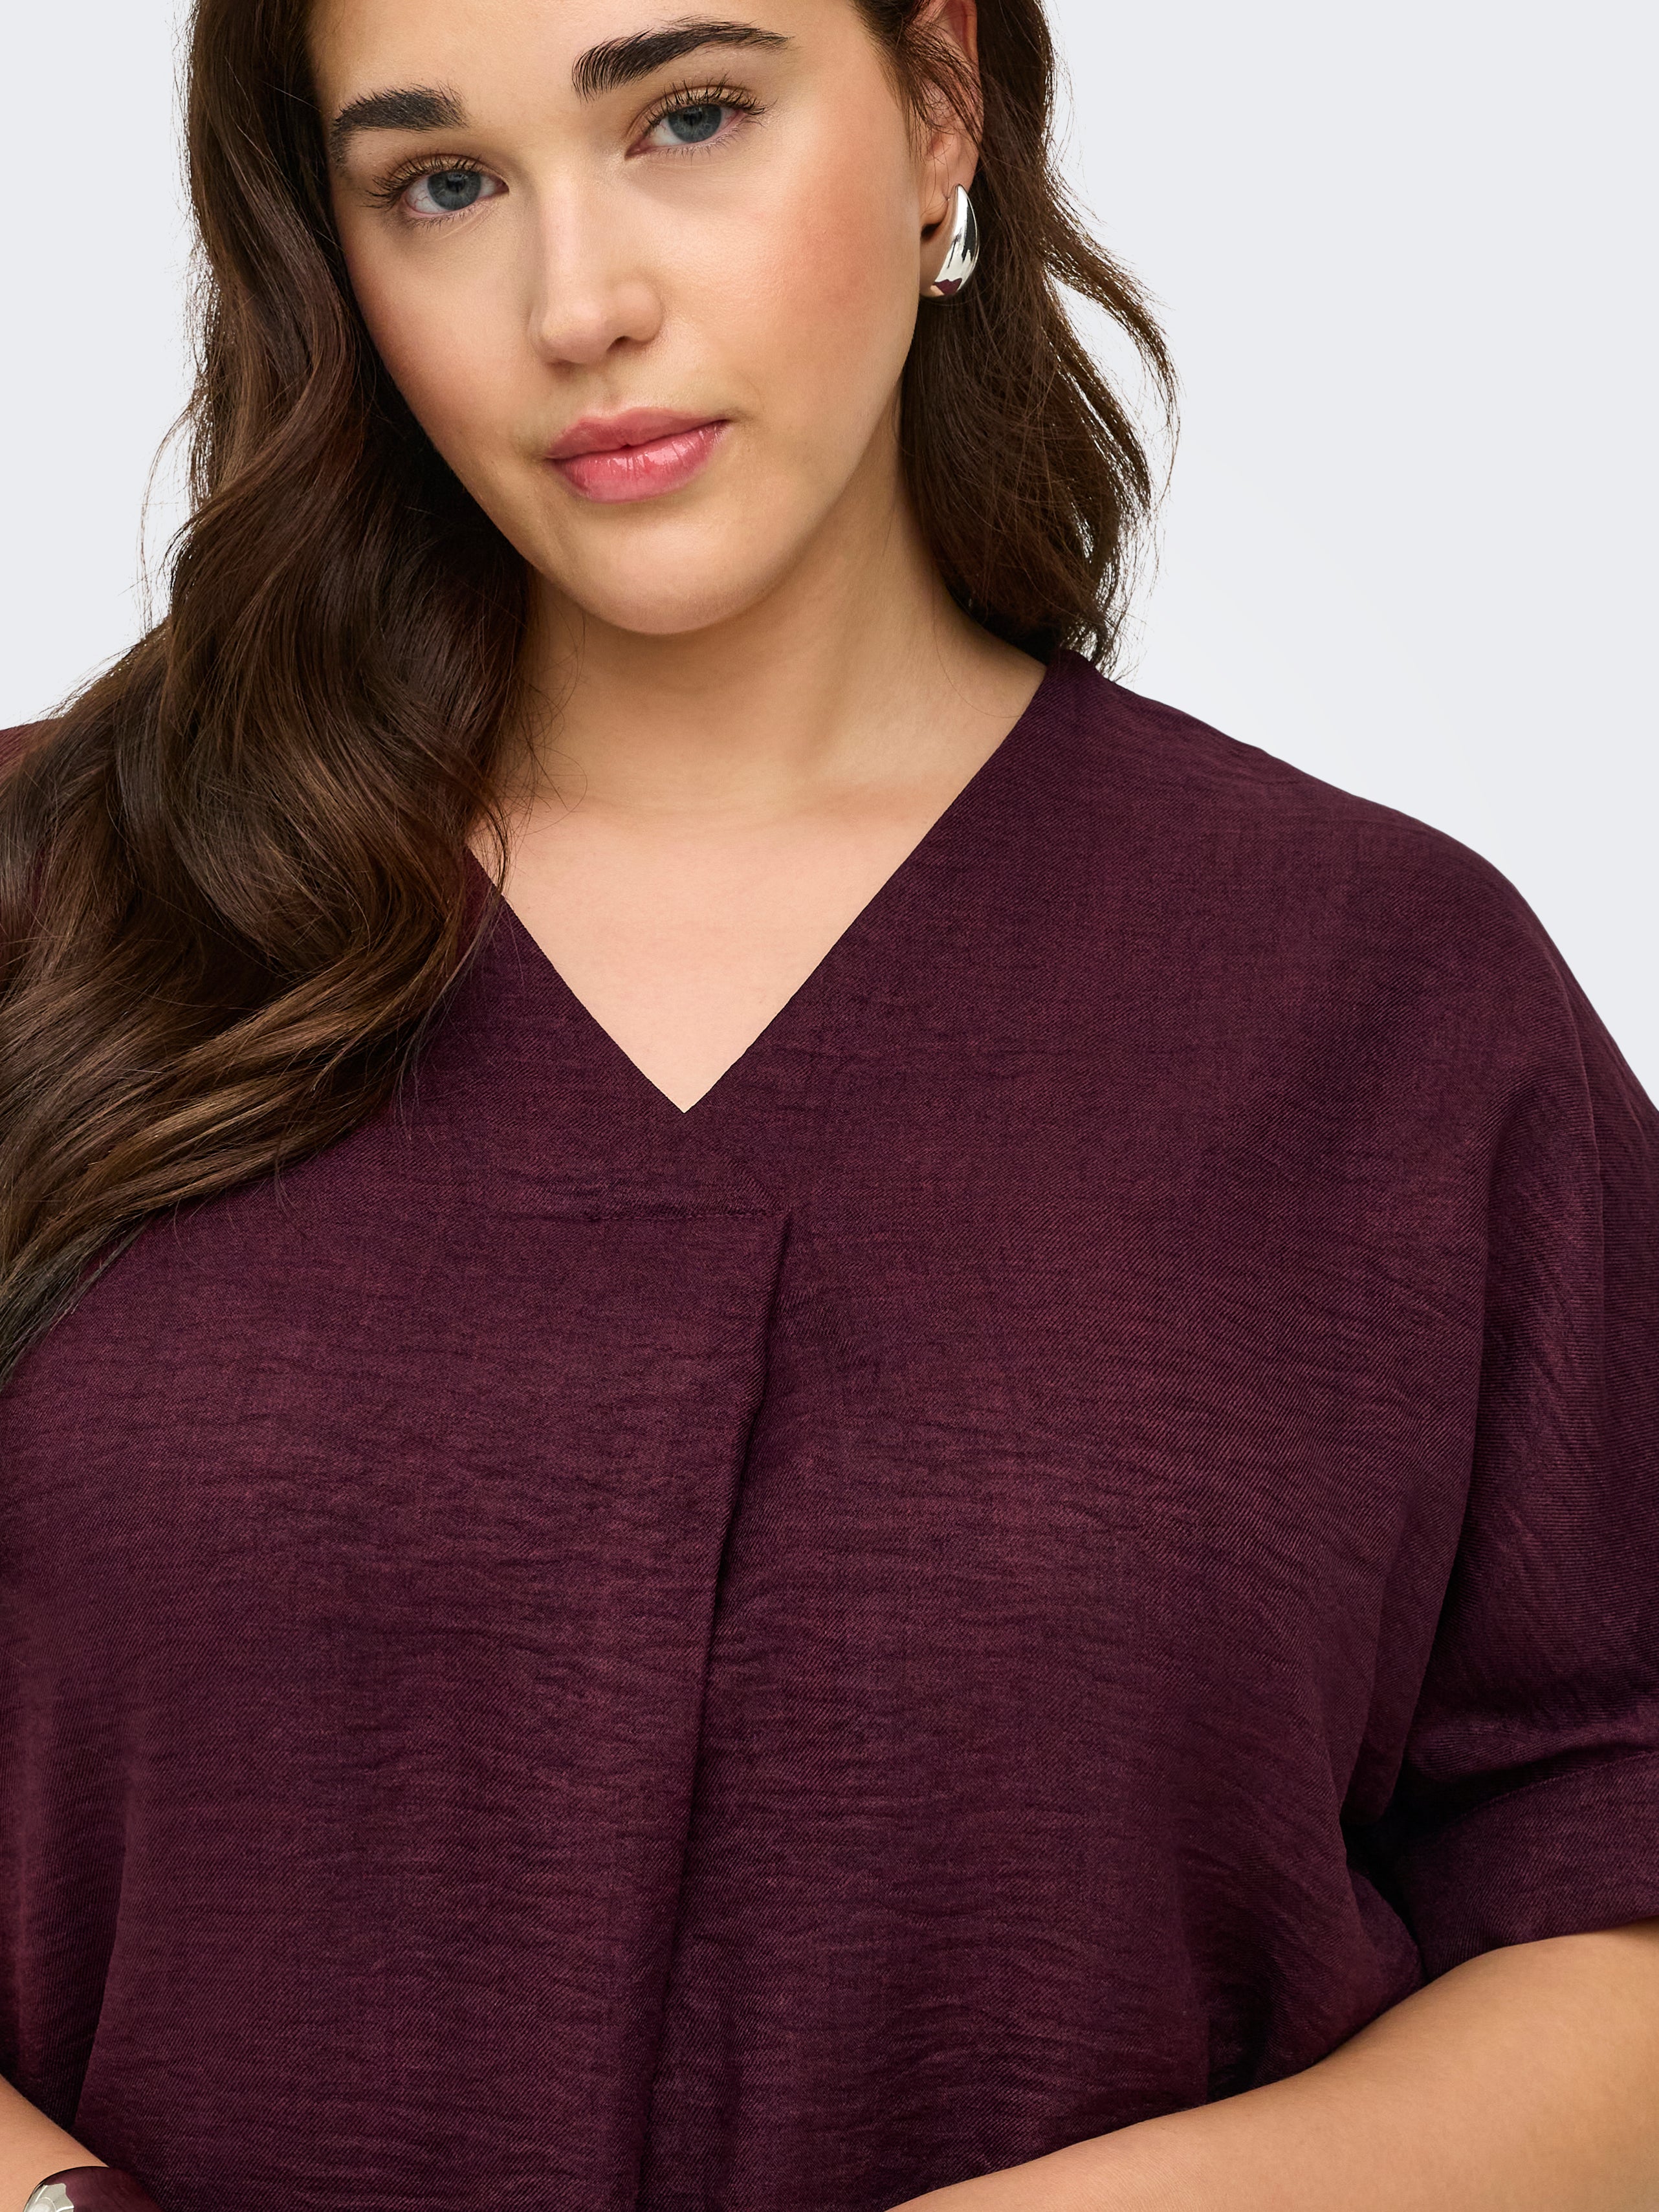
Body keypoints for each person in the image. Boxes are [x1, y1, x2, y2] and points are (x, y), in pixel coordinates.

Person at [2, 0, 1656, 2208]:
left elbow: (1611, 1884)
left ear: (940, 104)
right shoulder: (47, 911)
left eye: (689, 116)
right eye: (441, 182)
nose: (576, 303)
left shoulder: (1388, 1001)